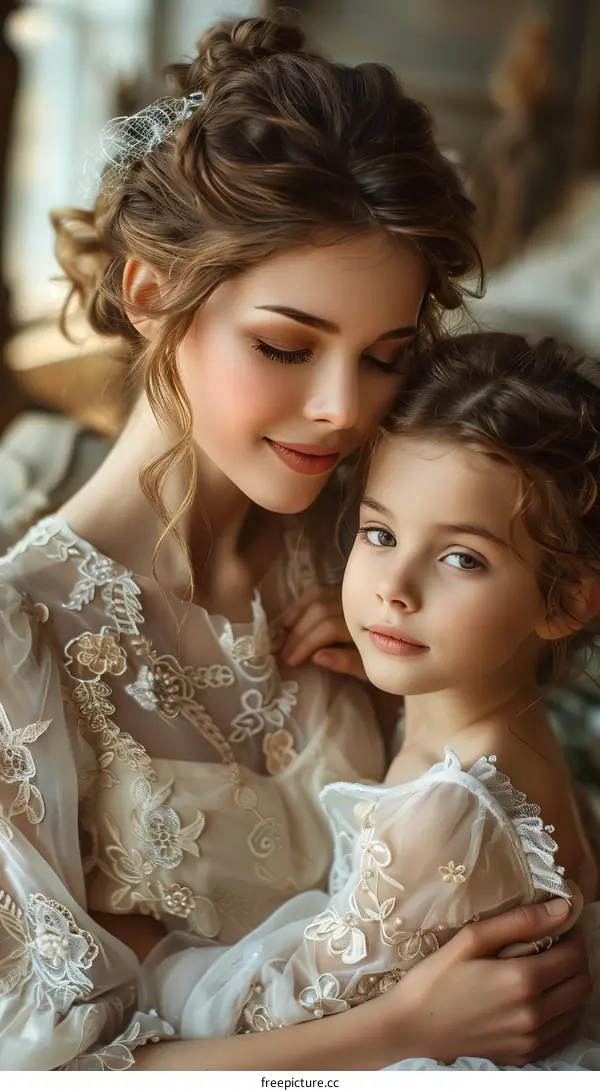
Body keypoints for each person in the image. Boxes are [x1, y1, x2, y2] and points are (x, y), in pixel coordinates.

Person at [0, 15, 589, 1072]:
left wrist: (427, 683)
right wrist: (394, 1034)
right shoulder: (22, 640)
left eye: (384, 356)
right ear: (151, 295)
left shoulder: (382, 547)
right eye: (285, 345)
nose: (340, 409)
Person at [143, 331, 600, 1072]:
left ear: (566, 602)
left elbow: (272, 1026)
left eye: (461, 558)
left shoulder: (445, 810)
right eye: (380, 533)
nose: (395, 589)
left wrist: (145, 953)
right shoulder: (514, 736)